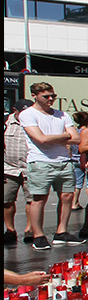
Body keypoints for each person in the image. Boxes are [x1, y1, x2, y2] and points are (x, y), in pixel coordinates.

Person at [20, 82, 85, 249]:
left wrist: (51, 137)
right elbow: (40, 139)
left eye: (53, 96)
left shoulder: (62, 115)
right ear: (34, 96)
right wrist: (64, 136)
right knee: (39, 199)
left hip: (63, 161)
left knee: (67, 196)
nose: (50, 99)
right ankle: (38, 235)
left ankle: (61, 232)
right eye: (46, 96)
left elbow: (76, 139)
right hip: (41, 161)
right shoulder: (28, 114)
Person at [4, 99, 34, 246]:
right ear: (15, 111)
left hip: (30, 167)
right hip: (9, 168)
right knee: (6, 200)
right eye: (21, 111)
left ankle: (30, 229)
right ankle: (10, 230)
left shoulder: (34, 121)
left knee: (32, 200)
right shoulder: (5, 123)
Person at [69, 111, 88, 212]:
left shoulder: (74, 131)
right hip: (86, 158)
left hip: (75, 158)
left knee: (77, 183)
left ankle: (74, 203)